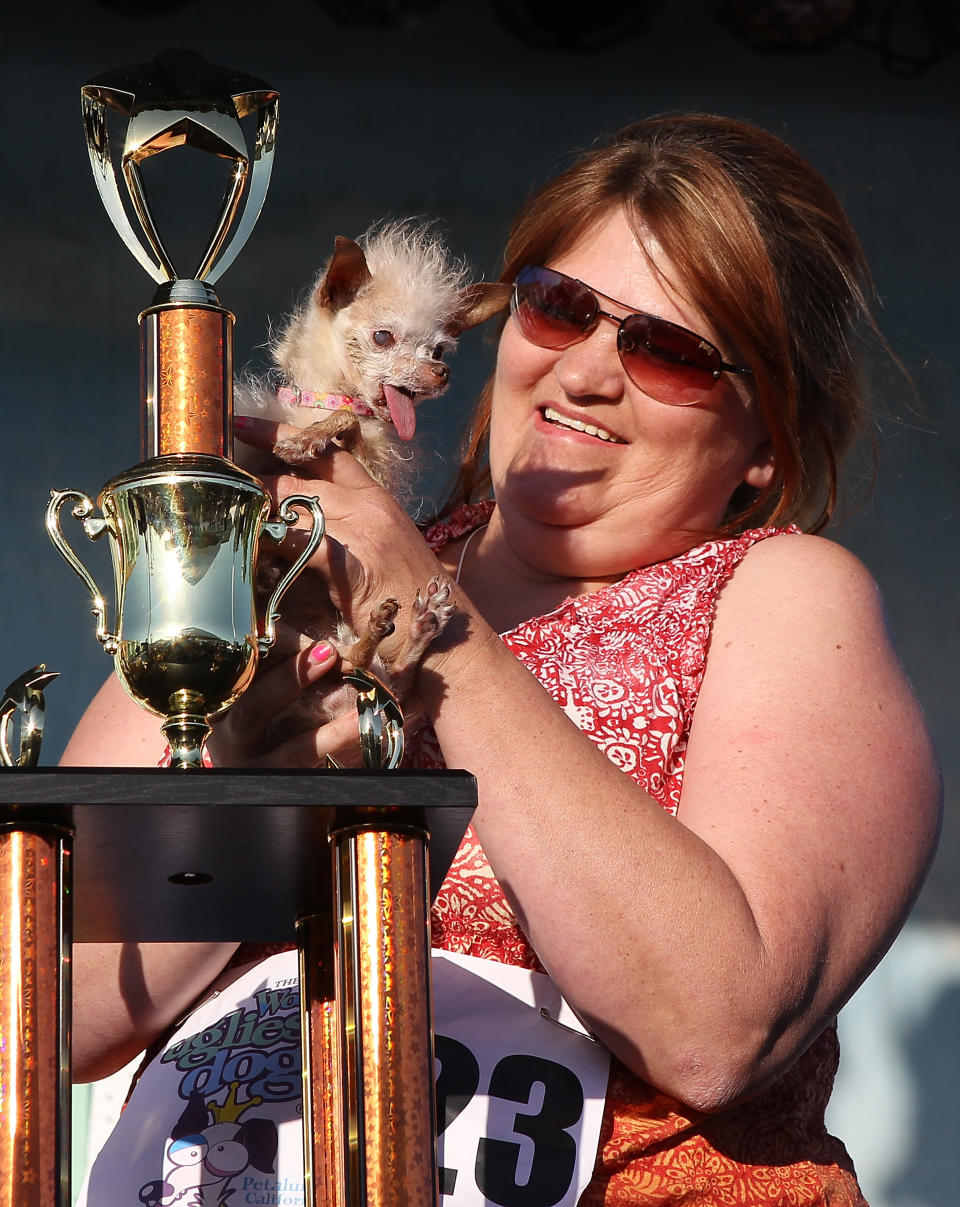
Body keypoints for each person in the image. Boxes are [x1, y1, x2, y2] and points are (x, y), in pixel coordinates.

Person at [66, 114, 941, 1206]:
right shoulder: (288, 573)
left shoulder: (784, 595)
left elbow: (716, 1023)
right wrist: (258, 781)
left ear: (765, 440)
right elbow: (55, 1012)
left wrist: (438, 632)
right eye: (561, 308)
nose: (585, 373)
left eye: (668, 351)